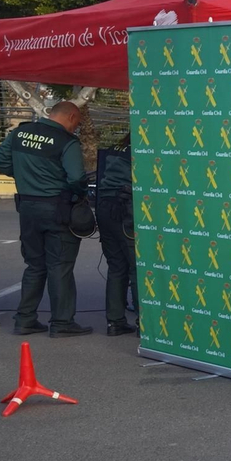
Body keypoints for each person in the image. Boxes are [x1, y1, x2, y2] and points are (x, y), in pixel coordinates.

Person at [0, 101, 90, 337]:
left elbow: (1, 162)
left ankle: (25, 320)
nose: (76, 127)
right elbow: (76, 177)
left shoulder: (19, 132)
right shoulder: (67, 141)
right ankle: (62, 323)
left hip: (27, 207)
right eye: (77, 122)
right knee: (60, 266)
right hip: (57, 209)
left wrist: (28, 177)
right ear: (72, 116)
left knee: (35, 265)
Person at [96, 135, 137, 336]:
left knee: (116, 267)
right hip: (126, 209)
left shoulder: (115, 146)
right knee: (137, 268)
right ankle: (145, 324)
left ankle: (115, 322)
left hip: (105, 206)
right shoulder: (142, 149)